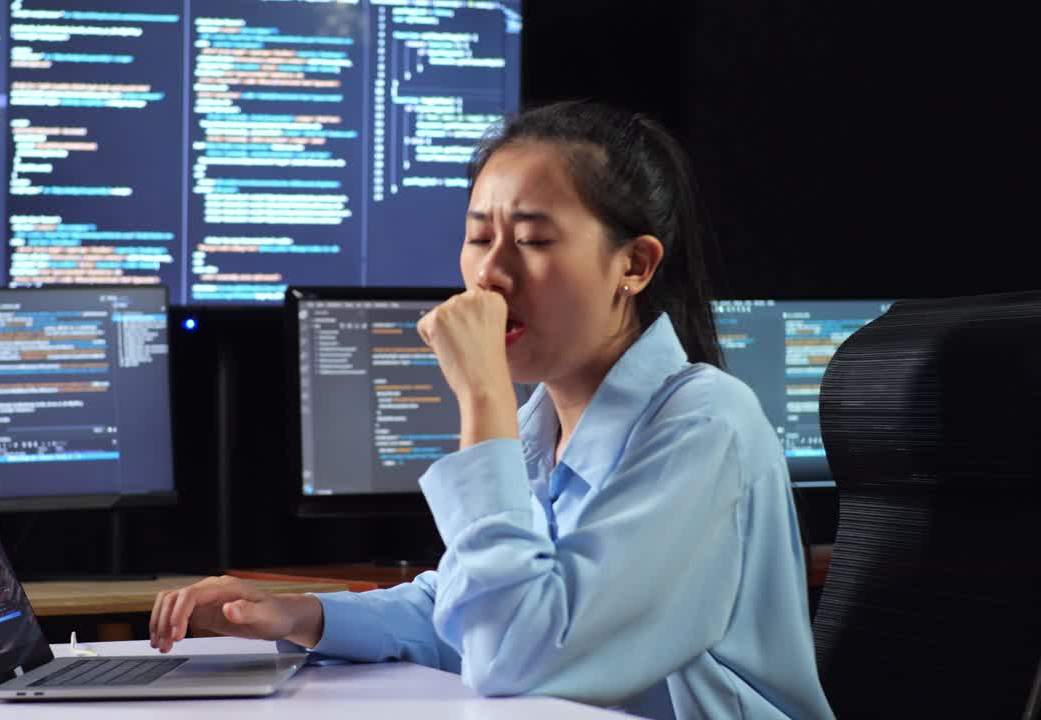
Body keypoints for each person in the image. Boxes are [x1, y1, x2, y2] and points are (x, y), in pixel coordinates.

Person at [148, 100, 834, 719]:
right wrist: (297, 615)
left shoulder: (705, 425)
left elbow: (518, 654)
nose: (490, 274)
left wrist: (482, 399)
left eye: (533, 241)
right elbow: (459, 607)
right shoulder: (546, 424)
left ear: (636, 265)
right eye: (480, 237)